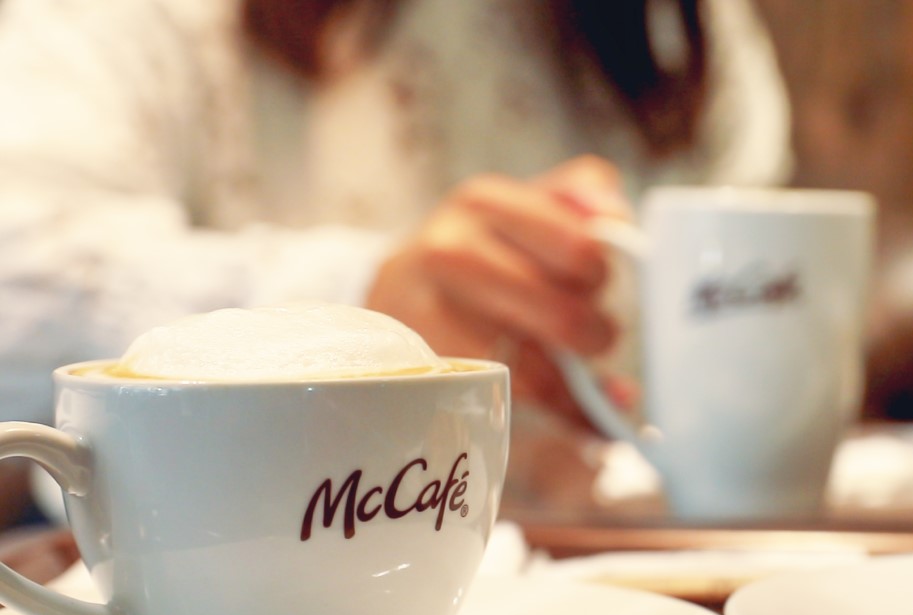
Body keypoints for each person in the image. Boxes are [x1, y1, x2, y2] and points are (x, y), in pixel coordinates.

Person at [0, 0, 792, 522]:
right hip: (232, 598)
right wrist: (363, 299)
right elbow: (18, 279)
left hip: (630, 583)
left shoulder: (684, 32)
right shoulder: (137, 23)